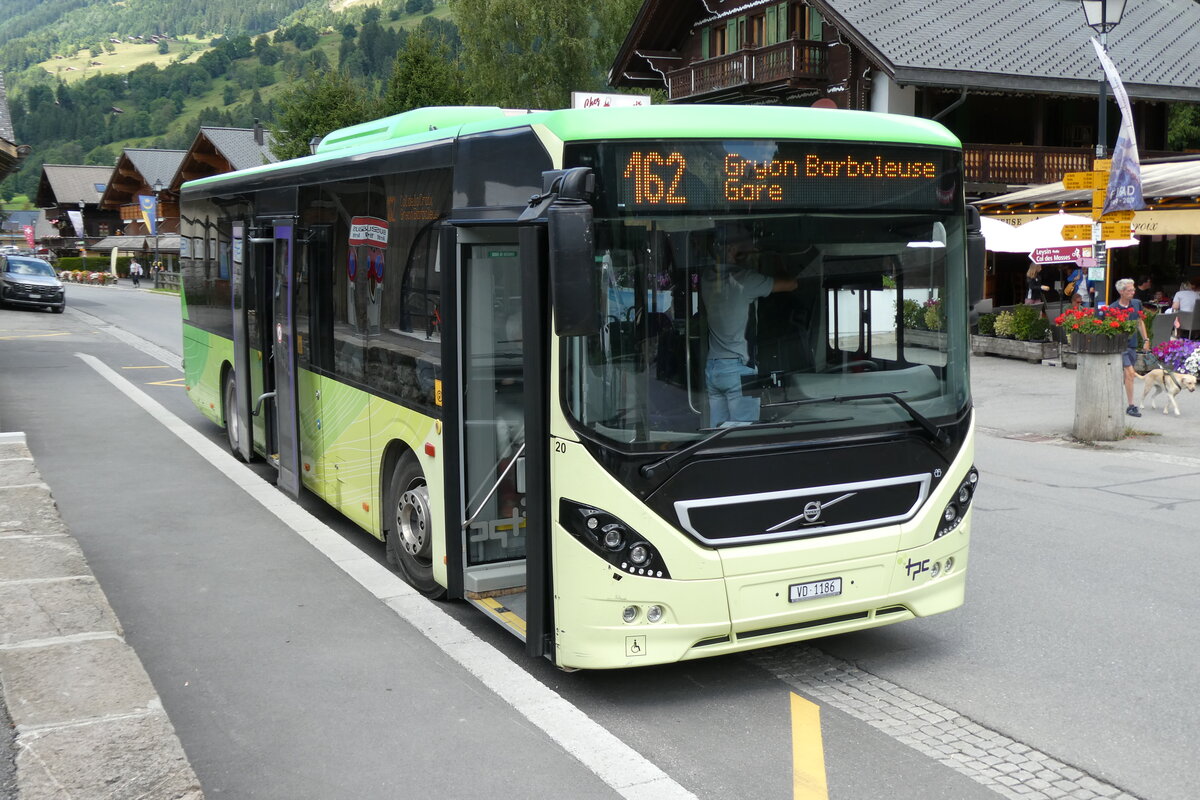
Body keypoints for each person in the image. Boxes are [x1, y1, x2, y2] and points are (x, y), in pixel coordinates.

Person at [701, 225, 798, 426]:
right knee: (742, 434)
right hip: (738, 369)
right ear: (731, 249)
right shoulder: (746, 279)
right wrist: (777, 258)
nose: (751, 247)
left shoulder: (707, 277)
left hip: (713, 368)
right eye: (745, 244)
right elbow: (791, 284)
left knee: (716, 436)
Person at [1101, 278, 1151, 418]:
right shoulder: (1112, 308)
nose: (1133, 292)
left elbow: (1140, 322)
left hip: (1132, 345)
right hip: (1118, 346)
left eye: (1133, 289)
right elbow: (1108, 329)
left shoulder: (1136, 304)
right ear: (1121, 292)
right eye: (1130, 290)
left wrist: (1146, 340)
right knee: (1130, 373)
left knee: (1128, 376)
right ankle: (1131, 405)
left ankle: (1117, 401)